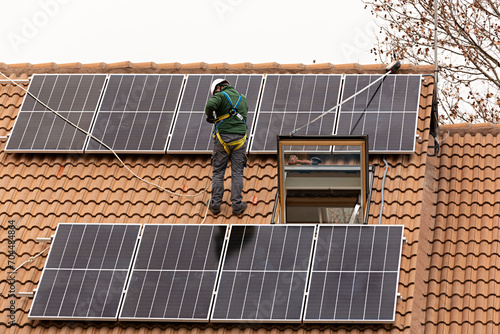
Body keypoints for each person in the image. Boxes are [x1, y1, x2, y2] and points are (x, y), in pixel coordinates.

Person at [205, 79, 248, 215]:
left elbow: (210, 105)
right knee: (237, 172)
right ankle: (237, 206)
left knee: (218, 172)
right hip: (240, 140)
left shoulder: (220, 95)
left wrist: (210, 116)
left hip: (222, 138)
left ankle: (215, 205)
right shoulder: (243, 99)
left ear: (219, 87)